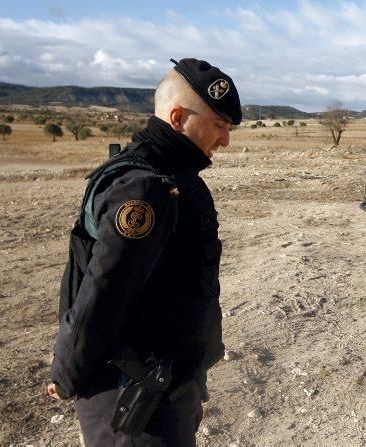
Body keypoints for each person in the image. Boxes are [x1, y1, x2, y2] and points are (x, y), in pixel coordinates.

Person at [47, 58, 241, 445]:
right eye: (219, 125)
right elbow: (102, 295)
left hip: (165, 385)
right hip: (132, 397)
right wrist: (66, 374)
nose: (225, 140)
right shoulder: (143, 190)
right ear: (177, 117)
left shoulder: (176, 178)